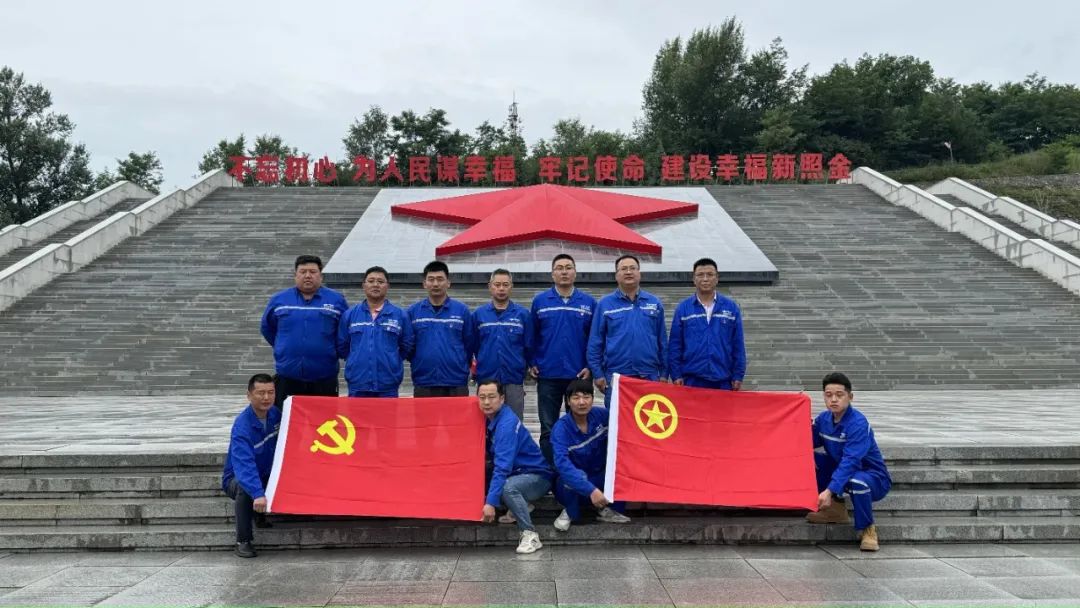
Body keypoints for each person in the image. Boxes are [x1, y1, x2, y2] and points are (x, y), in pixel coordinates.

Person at [807, 372, 891, 552]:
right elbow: (806, 441)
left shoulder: (858, 424)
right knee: (807, 461)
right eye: (828, 395)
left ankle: (868, 529)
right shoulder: (823, 420)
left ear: (850, 397)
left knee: (856, 481)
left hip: (871, 476)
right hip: (842, 470)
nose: (833, 400)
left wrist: (829, 491)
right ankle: (835, 510)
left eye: (839, 395)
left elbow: (851, 461)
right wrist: (799, 421)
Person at [529, 253, 596, 463]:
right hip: (548, 374)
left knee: (579, 424)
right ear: (552, 274)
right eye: (559, 268)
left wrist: (590, 366)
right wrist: (532, 362)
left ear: (575, 272)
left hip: (578, 375)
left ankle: (576, 468)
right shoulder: (540, 301)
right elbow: (531, 335)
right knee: (548, 426)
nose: (564, 272)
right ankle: (549, 469)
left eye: (568, 267)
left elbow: (595, 339)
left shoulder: (588, 303)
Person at [260, 255, 348, 407]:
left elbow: (345, 331)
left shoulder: (336, 300)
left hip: (324, 377)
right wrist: (283, 346)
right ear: (295, 275)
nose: (308, 276)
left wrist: (332, 351)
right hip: (288, 375)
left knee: (324, 420)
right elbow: (267, 328)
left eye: (313, 272)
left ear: (320, 276)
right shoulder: (279, 300)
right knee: (285, 419)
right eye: (303, 272)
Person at [478, 379, 553, 554]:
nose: (487, 402)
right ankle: (521, 505)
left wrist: (490, 503)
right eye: (482, 397)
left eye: (491, 397)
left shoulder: (506, 424)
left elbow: (502, 467)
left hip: (536, 476)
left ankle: (530, 534)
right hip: (516, 473)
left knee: (507, 488)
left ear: (502, 398)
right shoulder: (489, 418)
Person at [550, 378, 630, 531]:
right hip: (573, 482)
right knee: (568, 480)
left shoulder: (601, 415)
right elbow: (563, 465)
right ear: (568, 401)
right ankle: (570, 512)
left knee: (622, 469)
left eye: (586, 397)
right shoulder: (561, 429)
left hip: (598, 476)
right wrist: (590, 490)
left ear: (593, 399)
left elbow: (626, 424)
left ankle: (608, 510)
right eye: (576, 398)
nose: (582, 402)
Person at [587, 254, 667, 405]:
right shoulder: (605, 304)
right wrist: (597, 374)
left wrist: (664, 373)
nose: (628, 272)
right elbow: (595, 342)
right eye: (623, 269)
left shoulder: (654, 303)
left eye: (632, 268)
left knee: (647, 419)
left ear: (639, 273)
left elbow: (662, 341)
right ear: (616, 275)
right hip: (617, 377)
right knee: (616, 419)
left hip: (649, 376)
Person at [221, 373, 281, 558]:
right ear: (249, 395)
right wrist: (257, 493)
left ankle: (259, 515)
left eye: (270, 392)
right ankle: (243, 540)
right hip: (238, 477)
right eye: (260, 393)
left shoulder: (276, 415)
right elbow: (244, 465)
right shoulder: (242, 426)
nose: (266, 397)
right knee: (245, 487)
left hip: (266, 473)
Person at [668, 257, 747, 390]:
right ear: (694, 279)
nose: (705, 279)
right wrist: (675, 374)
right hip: (691, 380)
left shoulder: (731, 308)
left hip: (723, 380)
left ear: (717, 278)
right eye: (700, 275)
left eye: (710, 274)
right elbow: (675, 344)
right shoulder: (683, 308)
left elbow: (738, 344)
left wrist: (738, 375)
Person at [337, 266, 413, 397]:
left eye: (380, 281)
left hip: (388, 385)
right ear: (364, 285)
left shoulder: (400, 315)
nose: (375, 285)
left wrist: (392, 360)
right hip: (358, 384)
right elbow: (342, 345)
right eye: (371, 281)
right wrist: (355, 360)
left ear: (387, 286)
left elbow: (407, 346)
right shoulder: (350, 315)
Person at [407, 261, 476, 397]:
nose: (435, 284)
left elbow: (470, 344)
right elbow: (408, 345)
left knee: (457, 413)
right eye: (431, 279)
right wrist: (420, 360)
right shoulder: (413, 312)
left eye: (440, 279)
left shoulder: (461, 311)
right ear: (424, 283)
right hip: (424, 381)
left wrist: (458, 362)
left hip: (456, 381)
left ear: (448, 283)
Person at [472, 269, 532, 420]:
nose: (501, 288)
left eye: (505, 285)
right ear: (490, 286)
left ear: (511, 287)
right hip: (486, 380)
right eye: (497, 284)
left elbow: (529, 345)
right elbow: (473, 345)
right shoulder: (478, 315)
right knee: (485, 425)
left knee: (513, 423)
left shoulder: (522, 315)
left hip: (513, 380)